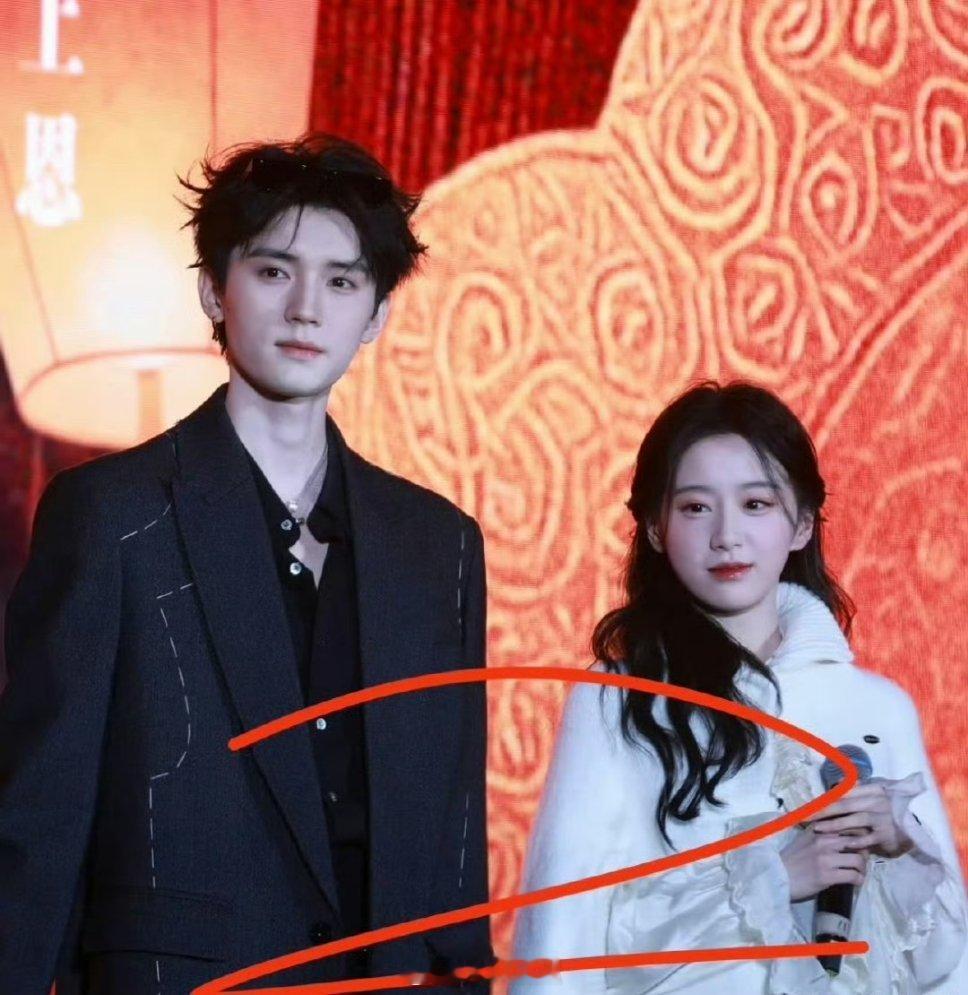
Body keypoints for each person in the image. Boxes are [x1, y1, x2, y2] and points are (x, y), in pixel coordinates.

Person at [0, 134, 492, 993]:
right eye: (273, 271)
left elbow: (453, 844)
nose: (306, 309)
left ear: (376, 315)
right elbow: (38, 820)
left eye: (342, 282)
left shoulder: (437, 543)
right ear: (212, 289)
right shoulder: (113, 515)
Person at [511, 381, 967, 993]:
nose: (727, 534)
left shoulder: (877, 709)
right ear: (654, 528)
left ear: (801, 523)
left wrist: (902, 846)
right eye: (696, 508)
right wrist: (776, 877)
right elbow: (562, 934)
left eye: (756, 504)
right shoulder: (616, 701)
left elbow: (947, 965)